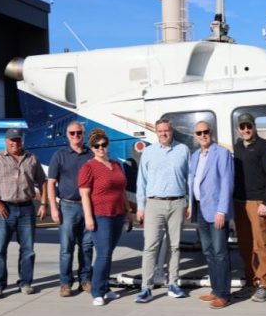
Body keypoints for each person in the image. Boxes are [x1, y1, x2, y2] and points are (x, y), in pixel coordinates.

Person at [0, 128, 47, 299]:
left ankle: (25, 282)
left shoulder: (32, 158)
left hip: (26, 208)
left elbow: (42, 181)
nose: (15, 143)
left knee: (28, 250)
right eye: (11, 140)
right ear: (6, 141)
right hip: (4, 209)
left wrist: (43, 203)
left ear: (21, 141)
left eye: (17, 140)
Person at [135, 118, 190, 303]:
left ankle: (173, 283)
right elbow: (141, 181)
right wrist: (140, 206)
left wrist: (189, 202)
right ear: (156, 132)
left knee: (175, 246)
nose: (163, 134)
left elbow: (189, 178)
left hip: (177, 203)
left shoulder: (183, 150)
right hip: (154, 203)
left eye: (166, 130)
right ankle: (146, 288)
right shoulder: (149, 152)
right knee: (150, 246)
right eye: (160, 131)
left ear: (171, 131)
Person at [78, 128, 133, 306]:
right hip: (100, 215)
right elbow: (85, 194)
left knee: (108, 253)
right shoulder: (88, 167)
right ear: (92, 148)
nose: (101, 148)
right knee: (103, 254)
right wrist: (88, 217)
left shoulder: (116, 165)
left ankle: (105, 287)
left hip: (118, 214)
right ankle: (96, 291)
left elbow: (122, 190)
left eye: (103, 144)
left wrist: (128, 211)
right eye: (97, 146)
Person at [188, 121, 234, 309]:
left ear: (211, 132)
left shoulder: (222, 153)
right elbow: (192, 182)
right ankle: (216, 289)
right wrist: (190, 204)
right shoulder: (195, 156)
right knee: (208, 251)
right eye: (199, 133)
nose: (203, 135)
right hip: (200, 209)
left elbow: (227, 183)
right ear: (195, 135)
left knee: (220, 252)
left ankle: (224, 294)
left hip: (216, 211)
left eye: (205, 131)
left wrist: (222, 210)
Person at [232, 113, 266, 302]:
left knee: (261, 244)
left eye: (249, 126)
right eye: (242, 127)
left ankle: (265, 284)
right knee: (245, 245)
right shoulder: (238, 146)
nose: (246, 130)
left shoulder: (264, 146)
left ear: (254, 127)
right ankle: (250, 282)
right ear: (238, 129)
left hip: (257, 202)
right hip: (239, 202)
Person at [47, 121, 94, 297]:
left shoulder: (92, 154)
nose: (76, 136)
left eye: (79, 133)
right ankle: (65, 283)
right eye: (72, 133)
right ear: (67, 135)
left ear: (84, 134)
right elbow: (51, 183)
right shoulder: (59, 156)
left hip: (88, 206)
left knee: (87, 246)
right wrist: (53, 208)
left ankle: (85, 280)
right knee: (66, 249)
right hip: (67, 206)